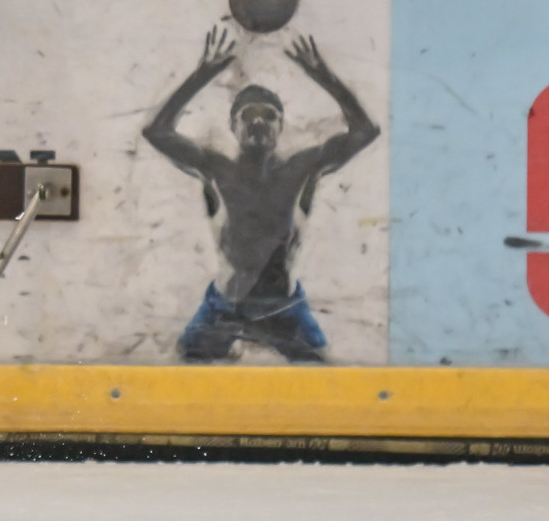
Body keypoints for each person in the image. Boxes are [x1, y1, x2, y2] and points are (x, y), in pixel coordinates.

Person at [142, 29, 379, 362]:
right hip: (226, 307)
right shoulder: (216, 168)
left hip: (283, 308)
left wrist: (323, 75)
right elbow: (157, 132)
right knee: (179, 377)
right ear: (233, 126)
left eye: (269, 116)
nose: (258, 122)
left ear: (281, 126)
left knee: (325, 382)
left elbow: (365, 131)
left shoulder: (301, 168)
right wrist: (202, 74)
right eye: (248, 115)